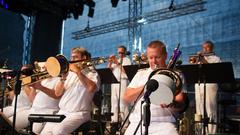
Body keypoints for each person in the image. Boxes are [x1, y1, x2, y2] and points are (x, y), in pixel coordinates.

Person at [123, 40, 187, 135]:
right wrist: (147, 85)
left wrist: (171, 103)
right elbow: (126, 98)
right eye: (150, 58)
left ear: (165, 56)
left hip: (164, 123)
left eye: (157, 57)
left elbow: (181, 102)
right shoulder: (141, 73)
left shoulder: (176, 74)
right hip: (137, 121)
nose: (153, 61)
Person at [40, 47, 100, 135]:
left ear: (83, 58)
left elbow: (91, 88)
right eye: (71, 57)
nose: (72, 60)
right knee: (45, 133)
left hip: (79, 113)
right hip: (63, 111)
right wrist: (63, 78)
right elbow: (57, 93)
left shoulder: (92, 73)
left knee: (58, 131)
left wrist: (78, 72)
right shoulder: (70, 74)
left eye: (75, 57)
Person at [9, 63, 61, 134]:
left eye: (46, 68)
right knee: (10, 123)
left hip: (46, 112)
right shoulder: (42, 80)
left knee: (33, 132)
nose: (43, 70)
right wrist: (34, 86)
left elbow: (57, 95)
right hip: (33, 110)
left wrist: (40, 87)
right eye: (43, 68)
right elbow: (31, 100)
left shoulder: (58, 80)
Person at [194, 40, 221, 134]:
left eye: (207, 47)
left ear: (212, 48)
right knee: (199, 108)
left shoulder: (216, 59)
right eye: (203, 47)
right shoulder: (199, 59)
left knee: (210, 109)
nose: (204, 49)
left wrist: (202, 59)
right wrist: (196, 61)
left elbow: (211, 70)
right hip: (199, 85)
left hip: (210, 86)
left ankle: (211, 132)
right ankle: (199, 132)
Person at [107, 45, 131, 123]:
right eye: (118, 53)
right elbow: (109, 70)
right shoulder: (115, 61)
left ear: (124, 53)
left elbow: (126, 72)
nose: (119, 54)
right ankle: (114, 122)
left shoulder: (127, 60)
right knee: (114, 104)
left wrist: (117, 62)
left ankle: (125, 123)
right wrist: (110, 62)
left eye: (121, 52)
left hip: (123, 81)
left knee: (123, 103)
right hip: (114, 82)